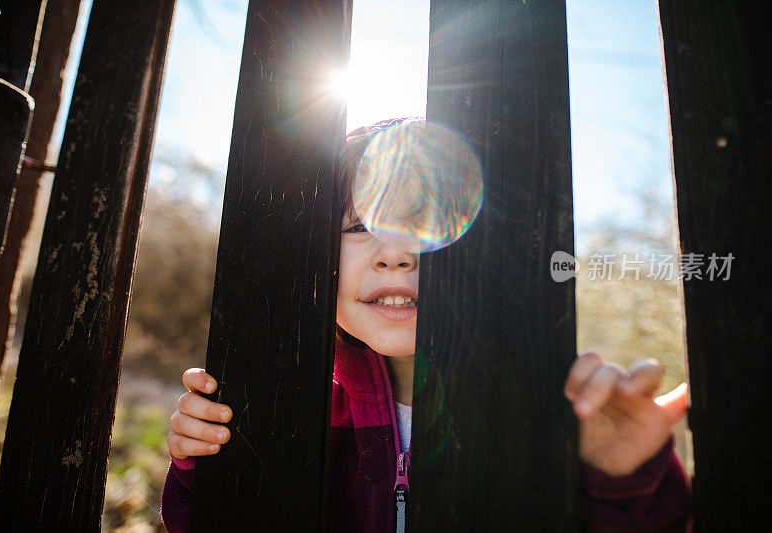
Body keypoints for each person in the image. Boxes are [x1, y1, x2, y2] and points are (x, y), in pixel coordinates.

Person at [160, 119, 693, 532]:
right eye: (359, 225)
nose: (396, 254)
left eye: (427, 223)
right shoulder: (290, 412)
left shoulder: (555, 413)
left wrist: (627, 480)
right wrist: (201, 464)